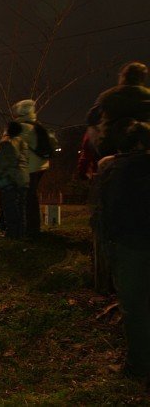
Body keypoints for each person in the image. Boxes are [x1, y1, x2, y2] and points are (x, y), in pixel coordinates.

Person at [99, 121, 150, 383]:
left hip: (131, 244)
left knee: (135, 306)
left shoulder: (115, 169)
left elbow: (107, 211)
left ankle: (138, 366)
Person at [87, 61, 150, 157]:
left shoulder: (106, 95)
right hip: (143, 143)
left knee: (91, 129)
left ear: (123, 76)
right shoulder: (148, 94)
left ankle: (92, 165)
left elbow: (90, 119)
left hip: (110, 147)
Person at [12, 99, 49, 239]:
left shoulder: (20, 127)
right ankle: (33, 227)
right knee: (31, 196)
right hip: (40, 166)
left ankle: (30, 229)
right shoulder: (37, 125)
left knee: (26, 198)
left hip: (27, 167)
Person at [0, 122, 29, 239]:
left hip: (9, 179)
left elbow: (2, 165)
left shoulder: (6, 143)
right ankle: (21, 232)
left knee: (10, 207)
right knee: (21, 207)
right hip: (23, 178)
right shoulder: (22, 142)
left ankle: (12, 232)